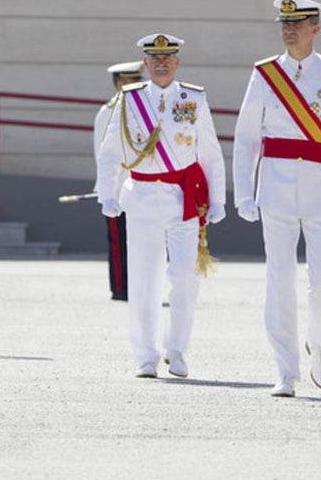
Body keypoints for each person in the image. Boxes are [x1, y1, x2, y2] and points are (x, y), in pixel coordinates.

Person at [232, 0, 321, 397]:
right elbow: (246, 139)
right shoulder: (265, 74)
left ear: (316, 28)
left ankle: (319, 343)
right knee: (279, 279)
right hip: (274, 189)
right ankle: (285, 370)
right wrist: (244, 191)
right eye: (284, 24)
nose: (290, 30)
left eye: (299, 23)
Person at [96, 33, 226, 379]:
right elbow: (110, 150)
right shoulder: (129, 99)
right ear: (145, 64)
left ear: (177, 62)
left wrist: (218, 198)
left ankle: (177, 348)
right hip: (140, 196)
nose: (162, 63)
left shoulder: (193, 98)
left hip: (181, 199)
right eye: (155, 58)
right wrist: (106, 193)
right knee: (143, 279)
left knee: (184, 275)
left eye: (168, 58)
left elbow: (210, 150)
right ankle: (146, 355)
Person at [93, 60, 144, 301]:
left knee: (139, 242)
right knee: (118, 241)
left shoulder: (143, 108)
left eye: (138, 81)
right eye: (132, 81)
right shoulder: (109, 111)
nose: (138, 86)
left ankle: (137, 286)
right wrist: (108, 190)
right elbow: (104, 154)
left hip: (140, 187)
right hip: (118, 187)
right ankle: (121, 287)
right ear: (120, 84)